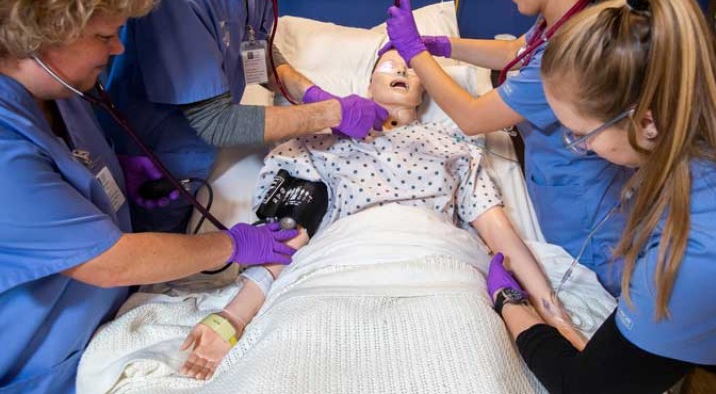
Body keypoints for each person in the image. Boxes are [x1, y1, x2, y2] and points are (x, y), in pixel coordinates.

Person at [0, 0, 303, 394]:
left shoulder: (63, 88)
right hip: (38, 365)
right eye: (102, 37)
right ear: (38, 34)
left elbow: (78, 173)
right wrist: (231, 243)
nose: (119, 48)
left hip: (110, 321)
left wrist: (120, 176)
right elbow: (110, 260)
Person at [179, 49, 587, 379]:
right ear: (367, 84)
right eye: (388, 65)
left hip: (439, 273)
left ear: (424, 94)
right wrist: (232, 317)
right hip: (336, 271)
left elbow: (498, 233)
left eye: (412, 69)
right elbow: (289, 238)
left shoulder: (455, 148)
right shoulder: (321, 143)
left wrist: (556, 316)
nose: (402, 71)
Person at [486, 0, 716, 393]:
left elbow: (583, 386)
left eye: (580, 134)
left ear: (646, 122)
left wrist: (508, 301)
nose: (578, 146)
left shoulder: (695, 258)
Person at [104, 0, 387, 234]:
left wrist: (311, 93)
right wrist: (331, 114)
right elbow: (216, 123)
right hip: (155, 160)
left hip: (195, 154)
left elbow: (256, 45)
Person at [383, 0, 633, 295]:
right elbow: (515, 52)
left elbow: (473, 117)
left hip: (589, 233)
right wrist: (441, 45)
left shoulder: (567, 55)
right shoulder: (564, 21)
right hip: (568, 211)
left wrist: (412, 52)